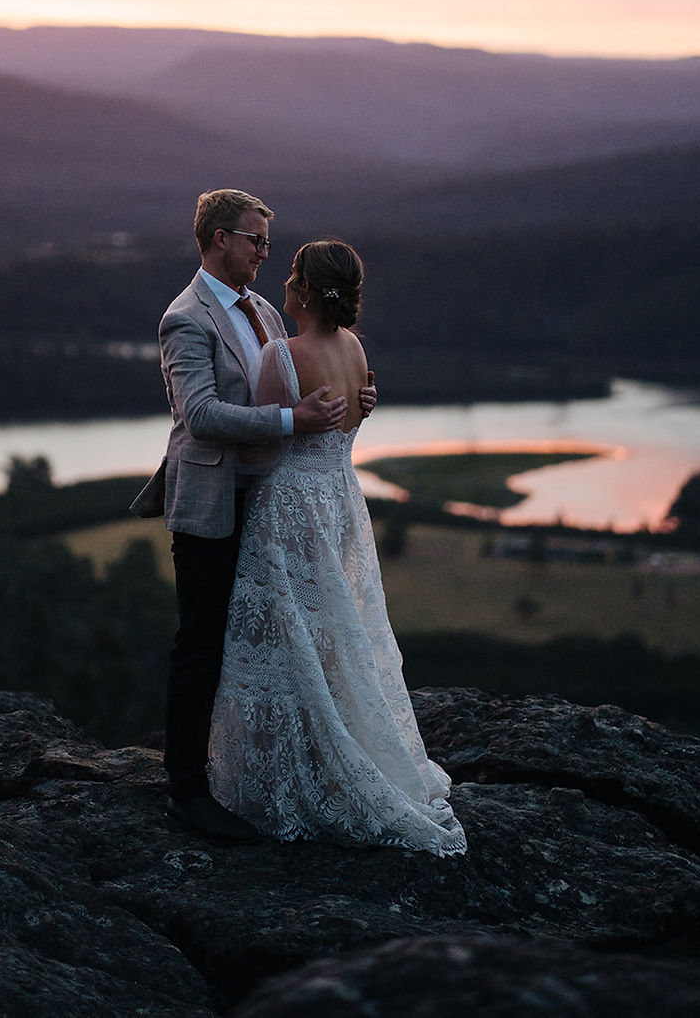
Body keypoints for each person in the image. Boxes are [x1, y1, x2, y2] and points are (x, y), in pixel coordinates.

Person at [130, 190, 377, 844]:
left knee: (264, 643)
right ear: (216, 238)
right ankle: (186, 792)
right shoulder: (184, 318)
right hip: (211, 503)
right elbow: (201, 416)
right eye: (254, 240)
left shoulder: (265, 308)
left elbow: (298, 379)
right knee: (202, 644)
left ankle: (248, 773)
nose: (266, 253)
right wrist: (293, 420)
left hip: (272, 505)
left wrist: (356, 398)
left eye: (268, 242)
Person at [209, 239, 467, 855]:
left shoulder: (282, 355)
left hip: (291, 509)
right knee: (329, 639)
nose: (285, 282)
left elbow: (260, 448)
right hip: (342, 503)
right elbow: (350, 415)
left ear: (304, 289)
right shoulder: (354, 348)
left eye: (292, 273)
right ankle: (335, 759)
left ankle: (294, 776)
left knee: (287, 642)